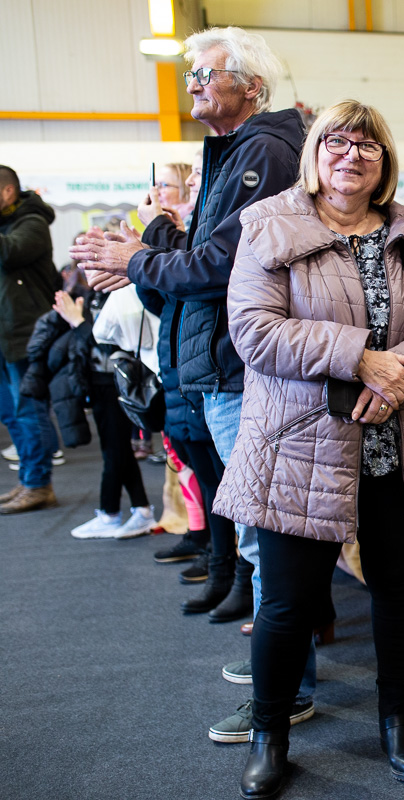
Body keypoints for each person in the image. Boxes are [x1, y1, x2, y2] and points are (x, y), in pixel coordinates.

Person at [211, 100, 404, 800]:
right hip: (300, 446)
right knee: (290, 602)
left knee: (400, 593)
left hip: (396, 445)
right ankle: (270, 734)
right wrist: (359, 360)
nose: (352, 155)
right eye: (337, 142)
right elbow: (254, 331)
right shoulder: (269, 225)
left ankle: (398, 722)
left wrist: (399, 377)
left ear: (386, 161)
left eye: (368, 145)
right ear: (314, 154)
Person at [71, 26, 305, 626]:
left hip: (239, 367)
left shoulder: (262, 152)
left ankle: (281, 666)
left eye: (205, 74)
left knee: (262, 529)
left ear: (251, 86)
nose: (193, 86)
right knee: (251, 522)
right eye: (190, 75)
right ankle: (278, 653)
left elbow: (220, 267)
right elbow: (199, 268)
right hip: (219, 366)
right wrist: (139, 260)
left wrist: (140, 254)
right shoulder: (239, 150)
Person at [34, 289, 156, 539]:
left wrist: (77, 321)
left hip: (117, 381)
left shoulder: (124, 294)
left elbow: (112, 344)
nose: (86, 270)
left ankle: (111, 513)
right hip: (101, 382)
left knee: (114, 451)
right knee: (118, 450)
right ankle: (140, 510)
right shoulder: (95, 294)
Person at [0, 165, 61, 514]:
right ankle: (28, 479)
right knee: (11, 413)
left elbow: (10, 252)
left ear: (8, 191)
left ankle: (38, 484)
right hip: (5, 336)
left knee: (28, 411)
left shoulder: (33, 223)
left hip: (24, 334)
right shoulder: (7, 224)